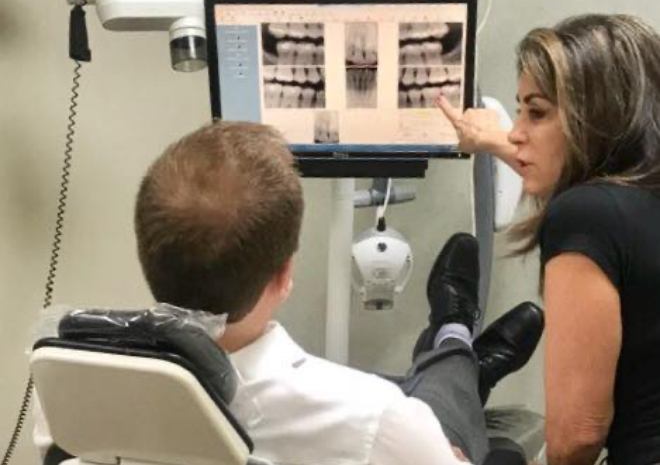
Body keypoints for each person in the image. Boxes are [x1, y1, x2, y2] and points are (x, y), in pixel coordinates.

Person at [33, 121, 543, 465]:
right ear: (284, 273)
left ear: (146, 251)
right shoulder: (374, 416)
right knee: (440, 396)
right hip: (415, 437)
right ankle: (456, 339)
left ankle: (463, 352)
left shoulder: (70, 383)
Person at [438, 14, 660, 465]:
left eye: (535, 112)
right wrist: (491, 140)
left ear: (595, 118)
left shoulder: (586, 216)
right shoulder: (638, 197)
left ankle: (452, 342)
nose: (517, 132)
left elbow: (578, 435)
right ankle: (459, 351)